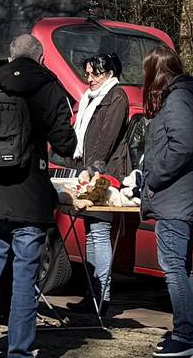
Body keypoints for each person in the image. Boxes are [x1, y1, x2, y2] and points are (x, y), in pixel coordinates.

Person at [0, 35, 79, 358]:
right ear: (40, 59)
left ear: (10, 56)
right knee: (24, 277)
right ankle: (19, 350)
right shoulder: (48, 86)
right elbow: (65, 144)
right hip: (30, 197)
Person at [140, 49, 193, 358]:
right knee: (180, 268)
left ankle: (184, 337)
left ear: (156, 74)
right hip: (182, 195)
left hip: (176, 197)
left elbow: (181, 147)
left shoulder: (176, 102)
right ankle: (183, 331)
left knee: (174, 268)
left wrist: (154, 179)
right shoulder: (185, 98)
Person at [67, 54, 134, 324]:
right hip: (89, 171)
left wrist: (93, 171)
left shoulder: (116, 97)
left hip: (106, 174)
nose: (90, 79)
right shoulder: (90, 98)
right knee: (91, 233)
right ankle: (93, 293)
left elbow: (106, 140)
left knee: (99, 232)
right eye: (87, 74)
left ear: (109, 73)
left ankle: (101, 296)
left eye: (95, 73)